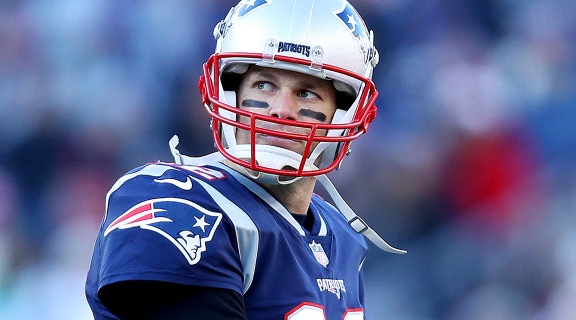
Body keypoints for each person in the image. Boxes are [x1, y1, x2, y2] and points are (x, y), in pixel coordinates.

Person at [85, 0, 405, 319]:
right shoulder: (174, 196)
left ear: (345, 113)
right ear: (228, 91)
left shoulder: (340, 236)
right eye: (264, 85)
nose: (281, 109)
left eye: (307, 92)